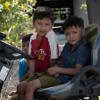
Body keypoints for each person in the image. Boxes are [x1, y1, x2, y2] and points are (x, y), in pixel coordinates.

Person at [16, 16, 91, 100]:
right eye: (67, 34)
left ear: (82, 32)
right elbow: (60, 61)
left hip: (65, 79)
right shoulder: (67, 46)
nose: (71, 36)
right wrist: (55, 67)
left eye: (74, 32)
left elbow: (78, 70)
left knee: (30, 86)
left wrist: (58, 70)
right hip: (55, 74)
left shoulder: (83, 49)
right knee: (21, 86)